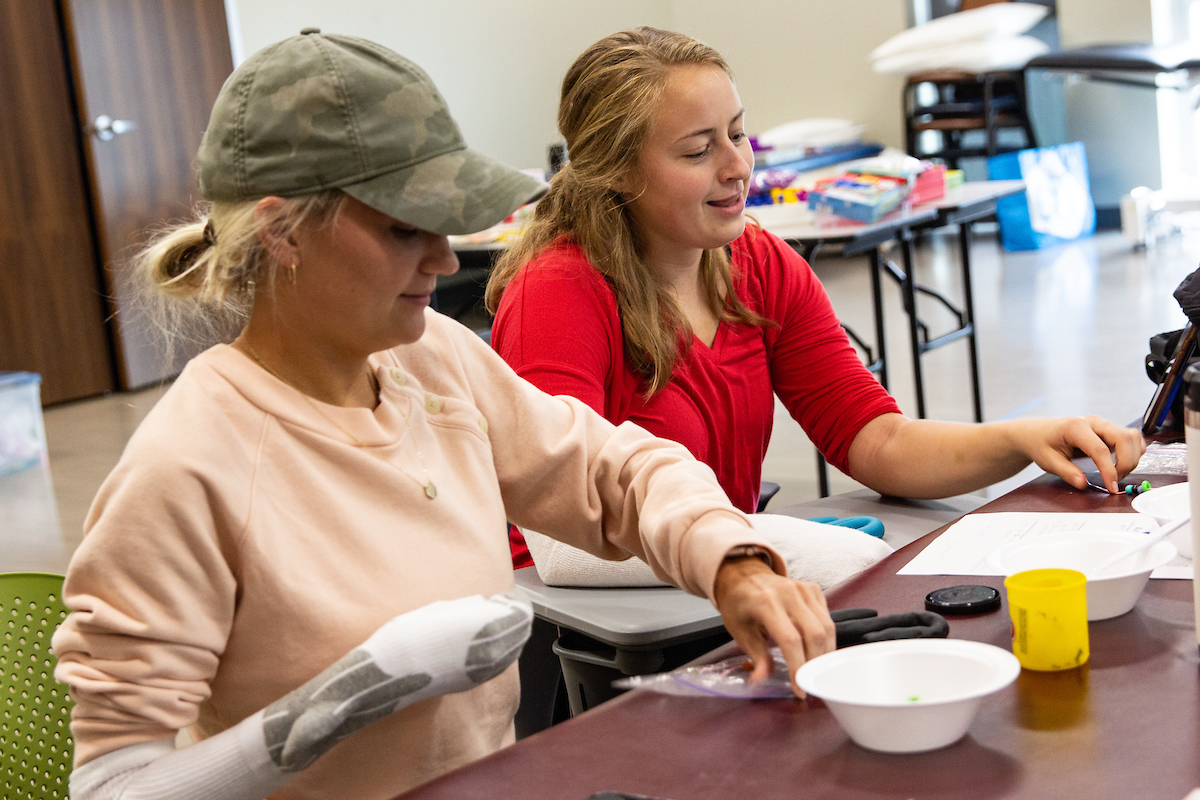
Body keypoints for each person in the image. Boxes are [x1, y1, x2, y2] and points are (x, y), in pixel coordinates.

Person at [50, 31, 836, 800]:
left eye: (443, 223)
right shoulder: (187, 469)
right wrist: (340, 702)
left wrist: (732, 561)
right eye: (403, 228)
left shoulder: (435, 363)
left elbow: (614, 471)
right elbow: (115, 783)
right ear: (281, 231)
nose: (445, 260)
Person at [485, 26, 1146, 571]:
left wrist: (1021, 439)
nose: (737, 166)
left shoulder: (756, 262)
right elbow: (562, 533)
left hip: (712, 575)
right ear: (617, 170)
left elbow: (874, 439)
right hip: (590, 613)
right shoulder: (559, 294)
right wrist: (776, 550)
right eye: (697, 150)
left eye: (738, 134)